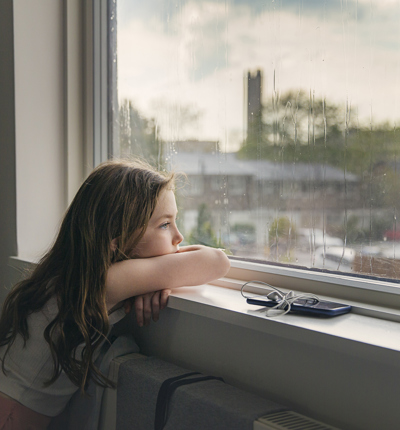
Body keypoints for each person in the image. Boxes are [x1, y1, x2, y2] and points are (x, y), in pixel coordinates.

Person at [0, 159, 231, 430]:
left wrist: (151, 280)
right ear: (116, 240)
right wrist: (153, 277)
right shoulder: (101, 283)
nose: (179, 236)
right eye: (165, 225)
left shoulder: (74, 276)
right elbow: (217, 261)